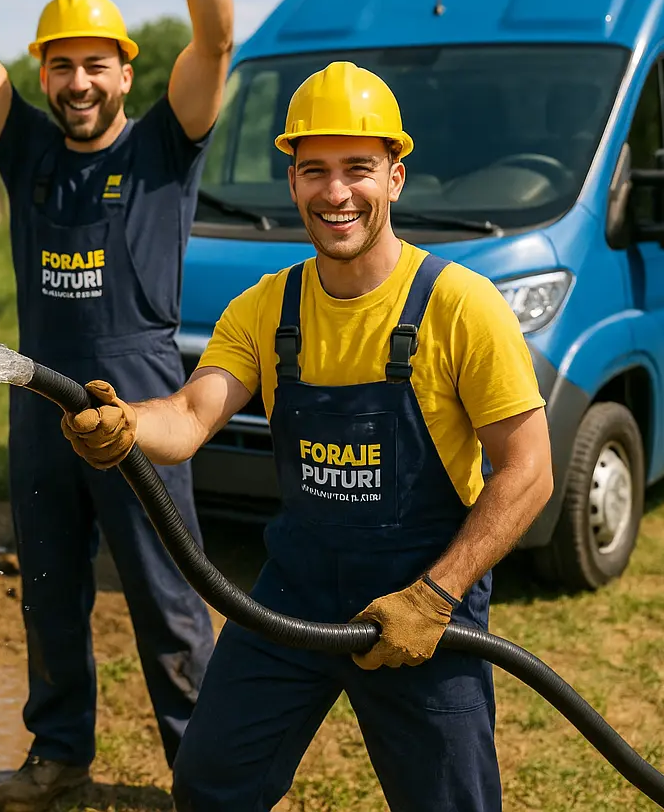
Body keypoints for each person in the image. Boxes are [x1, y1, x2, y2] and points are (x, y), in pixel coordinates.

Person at [61, 61, 555, 810]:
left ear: (395, 175)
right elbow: (191, 417)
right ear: (291, 180)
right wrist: (129, 425)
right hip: (292, 596)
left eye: (358, 168)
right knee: (210, 782)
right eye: (314, 170)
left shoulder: (462, 306)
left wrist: (434, 596)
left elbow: (530, 471)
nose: (335, 193)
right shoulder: (266, 307)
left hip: (422, 598)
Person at [0, 0, 234, 811]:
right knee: (50, 593)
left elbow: (217, 37)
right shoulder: (24, 146)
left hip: (142, 403)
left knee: (168, 599)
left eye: (94, 64)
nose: (77, 83)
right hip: (40, 409)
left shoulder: (163, 144)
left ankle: (206, 769)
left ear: (124, 69)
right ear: (44, 74)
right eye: (60, 65)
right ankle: (59, 753)